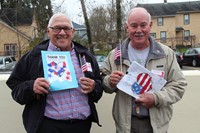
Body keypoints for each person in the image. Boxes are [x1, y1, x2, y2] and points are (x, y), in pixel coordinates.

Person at [6, 12, 103, 133]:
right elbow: (15, 87)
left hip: (81, 126)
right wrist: (32, 87)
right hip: (48, 126)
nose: (62, 33)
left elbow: (99, 86)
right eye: (57, 28)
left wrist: (94, 86)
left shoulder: (85, 56)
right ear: (48, 31)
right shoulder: (34, 57)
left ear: (72, 31)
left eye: (66, 28)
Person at [101, 7, 187, 133]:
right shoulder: (115, 55)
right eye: (134, 26)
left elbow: (179, 85)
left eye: (143, 25)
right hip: (126, 125)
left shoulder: (166, 53)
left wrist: (156, 98)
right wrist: (110, 81)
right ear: (127, 27)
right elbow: (103, 82)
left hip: (156, 124)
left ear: (150, 25)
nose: (139, 30)